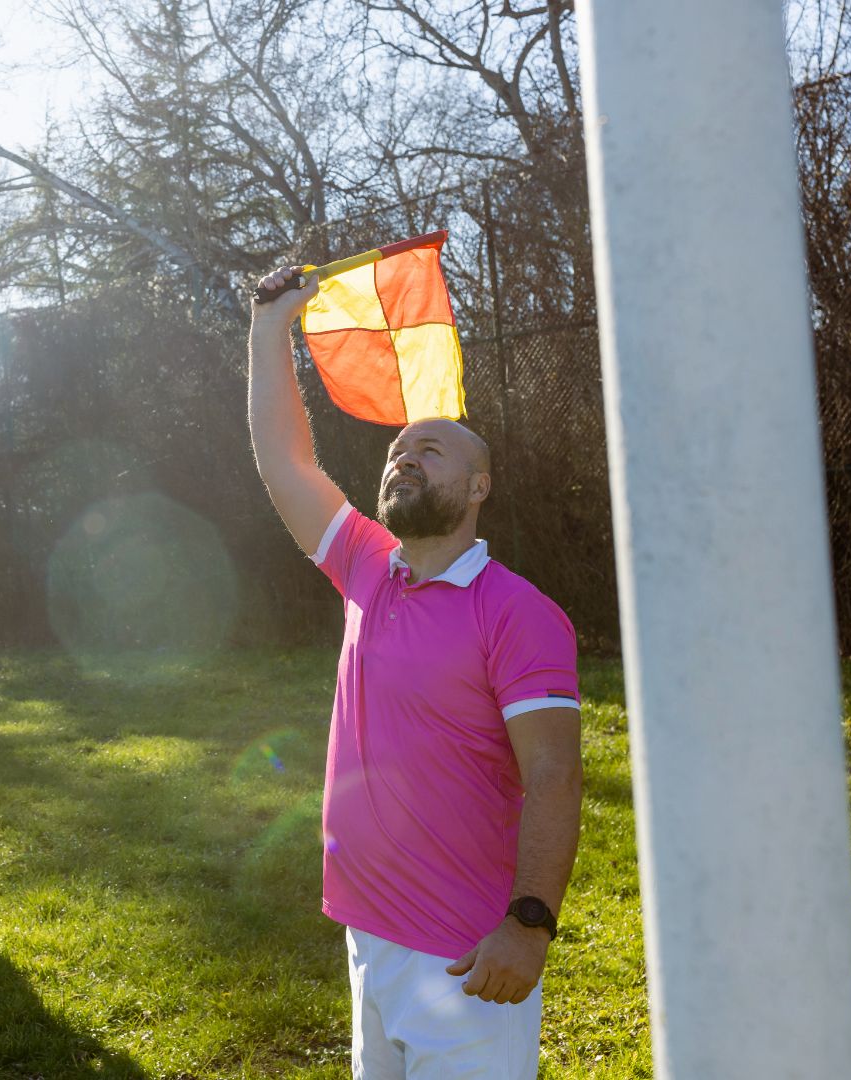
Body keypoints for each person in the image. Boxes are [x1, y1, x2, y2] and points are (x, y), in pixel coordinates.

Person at [247, 265, 584, 1078]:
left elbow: (555, 771)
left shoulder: (516, 611)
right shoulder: (369, 565)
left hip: (467, 959)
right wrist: (267, 329)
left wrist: (529, 924)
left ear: (478, 486)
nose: (404, 457)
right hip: (367, 937)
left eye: (429, 450)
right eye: (397, 452)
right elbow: (284, 462)